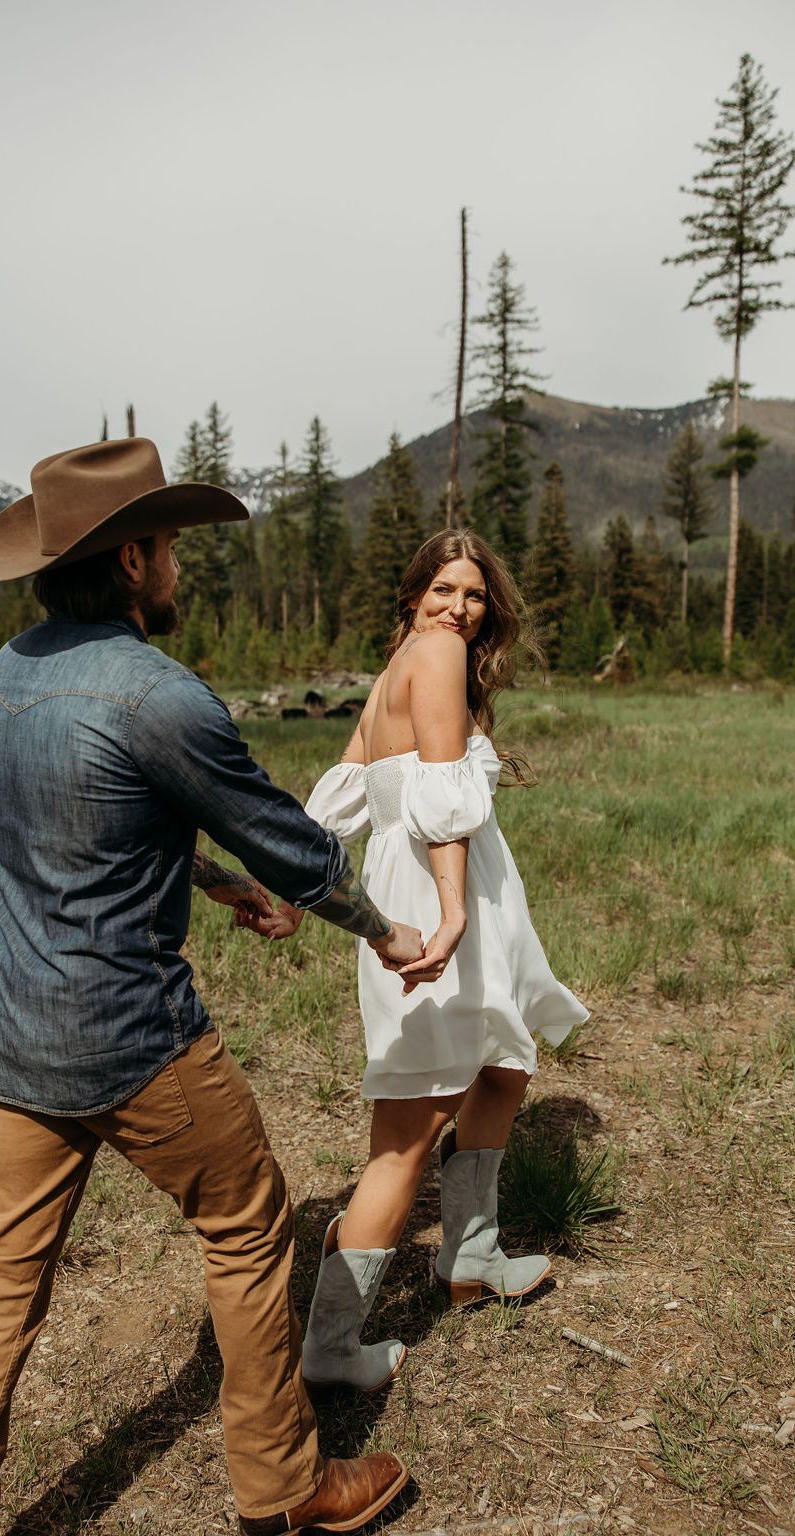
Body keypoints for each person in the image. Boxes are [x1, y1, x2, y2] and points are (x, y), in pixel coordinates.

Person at [0, 438, 423, 1536]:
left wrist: (210, 880)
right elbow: (291, 839)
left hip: (14, 1039)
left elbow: (79, 827)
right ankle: (285, 1492)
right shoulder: (158, 694)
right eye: (171, 545)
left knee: (1, 1280)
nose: (180, 564)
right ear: (133, 559)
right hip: (135, 1041)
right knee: (246, 1225)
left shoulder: (5, 676)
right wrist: (382, 928)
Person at [288, 530, 589, 1392]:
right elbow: (442, 795)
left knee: (502, 1067)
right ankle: (333, 1346)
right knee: (408, 1133)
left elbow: (341, 796)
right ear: (413, 596)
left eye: (476, 595)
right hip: (435, 883)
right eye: (445, 589)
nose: (460, 607)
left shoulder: (397, 674)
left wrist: (288, 887)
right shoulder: (437, 655)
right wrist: (454, 907)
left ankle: (470, 1255)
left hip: (437, 878)